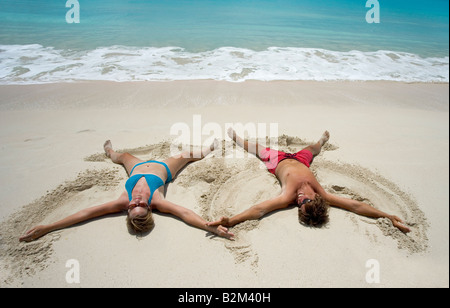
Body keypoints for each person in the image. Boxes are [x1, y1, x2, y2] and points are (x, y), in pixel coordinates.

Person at [19, 140, 234, 242]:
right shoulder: (157, 200)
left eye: (133, 207)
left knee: (122, 156)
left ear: (128, 209)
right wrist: (210, 227)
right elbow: (185, 214)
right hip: (164, 169)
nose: (137, 202)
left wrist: (48, 227)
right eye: (141, 206)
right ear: (149, 209)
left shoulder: (123, 201)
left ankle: (109, 151)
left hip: (137, 169)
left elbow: (85, 213)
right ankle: (209, 149)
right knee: (188, 154)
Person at [207, 128, 411, 234]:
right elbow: (355, 205)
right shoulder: (321, 194)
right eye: (305, 202)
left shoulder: (288, 196)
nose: (300, 200)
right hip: (300, 161)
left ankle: (238, 140)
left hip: (279, 161)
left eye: (299, 205)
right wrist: (387, 215)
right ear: (316, 199)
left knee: (258, 149)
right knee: (313, 149)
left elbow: (259, 209)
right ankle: (321, 141)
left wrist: (232, 221)